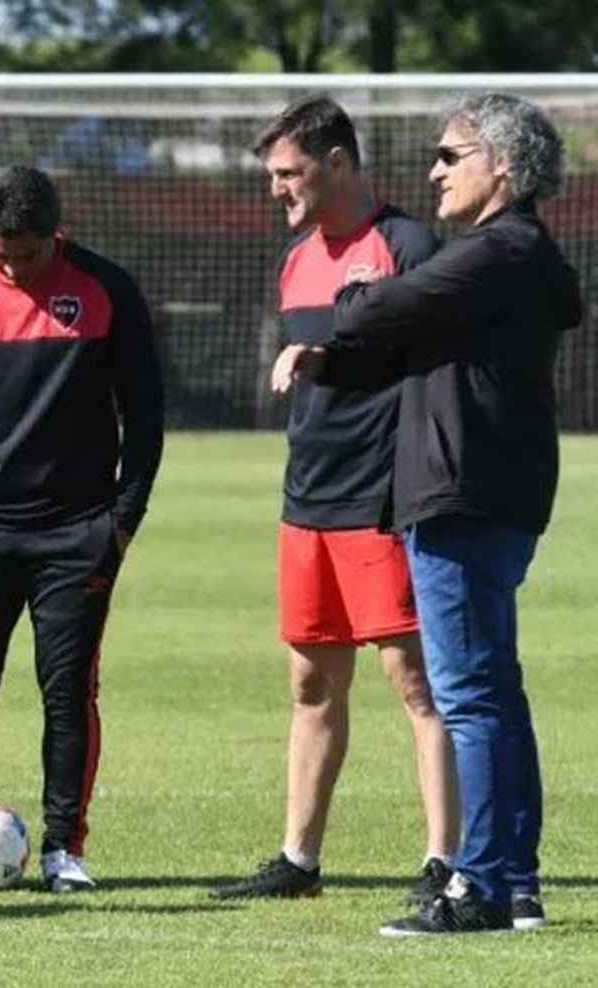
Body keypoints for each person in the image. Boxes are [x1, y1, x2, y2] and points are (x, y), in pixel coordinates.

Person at [275, 93, 582, 936]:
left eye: (453, 155)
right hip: (490, 496)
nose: (436, 170)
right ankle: (515, 882)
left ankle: (477, 884)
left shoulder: (493, 252)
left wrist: (362, 293)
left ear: (504, 171)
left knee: (471, 695)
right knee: (496, 694)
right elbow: (394, 340)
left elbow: (374, 310)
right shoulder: (512, 258)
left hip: (461, 495)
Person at [212, 96, 459, 905]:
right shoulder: (295, 259)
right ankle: (299, 862)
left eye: (289, 173)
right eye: (273, 175)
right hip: (306, 503)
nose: (277, 189)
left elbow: (434, 371)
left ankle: (445, 865)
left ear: (338, 163)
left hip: (383, 502)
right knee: (312, 687)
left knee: (419, 689)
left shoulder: (407, 246)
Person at [0, 164, 164, 892]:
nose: (13, 268)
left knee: (67, 692)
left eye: (27, 253)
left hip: (75, 534)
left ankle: (61, 851)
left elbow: (144, 416)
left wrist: (120, 524)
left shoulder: (107, 291)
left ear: (58, 230)